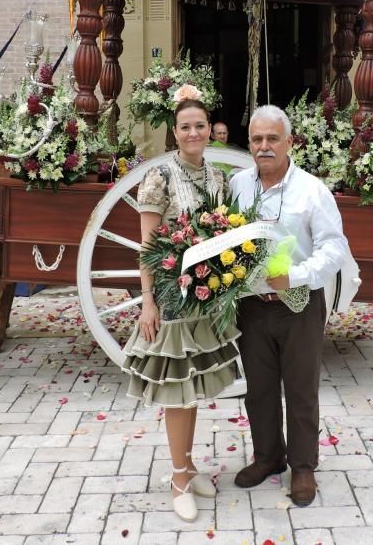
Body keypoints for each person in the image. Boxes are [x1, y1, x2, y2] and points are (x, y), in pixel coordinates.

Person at [121, 98, 235, 522]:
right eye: (185, 127)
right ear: (175, 131)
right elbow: (149, 247)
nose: (193, 133)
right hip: (171, 295)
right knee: (178, 391)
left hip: (203, 293)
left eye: (200, 126)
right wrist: (147, 301)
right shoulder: (159, 177)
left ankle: (189, 466)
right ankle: (177, 480)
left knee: (196, 387)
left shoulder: (215, 175)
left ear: (209, 130)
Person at [229, 104, 349, 508]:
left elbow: (335, 249)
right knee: (259, 389)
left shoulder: (313, 190)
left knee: (301, 389)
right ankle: (268, 457)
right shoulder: (237, 185)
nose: (264, 147)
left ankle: (302, 466)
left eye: (272, 139)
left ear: (289, 142)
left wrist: (295, 277)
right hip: (251, 305)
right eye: (257, 139)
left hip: (298, 304)